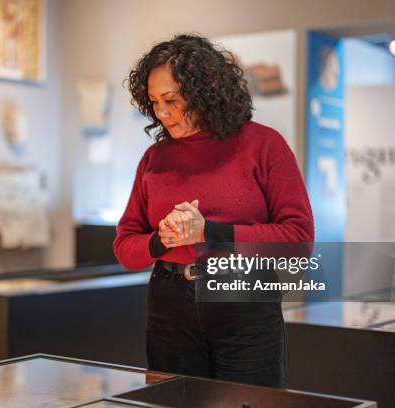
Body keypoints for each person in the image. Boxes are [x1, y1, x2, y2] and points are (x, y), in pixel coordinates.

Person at [113, 34, 314, 388]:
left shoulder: (263, 145)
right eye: (154, 102)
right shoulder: (154, 160)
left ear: (203, 91)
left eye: (171, 100)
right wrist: (161, 240)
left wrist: (211, 233)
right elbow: (126, 248)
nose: (161, 113)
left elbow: (297, 242)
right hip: (170, 304)